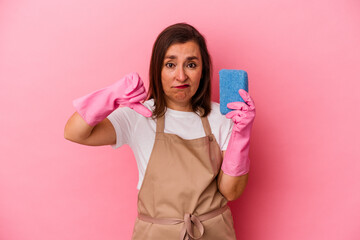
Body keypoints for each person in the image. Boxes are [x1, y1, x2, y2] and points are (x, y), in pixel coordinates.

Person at [64, 22, 256, 240]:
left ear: (203, 71)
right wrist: (110, 96)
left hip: (214, 233)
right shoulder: (139, 116)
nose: (181, 76)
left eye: (191, 65)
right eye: (170, 64)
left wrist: (242, 135)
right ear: (158, 69)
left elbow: (231, 191)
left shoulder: (222, 119)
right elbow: (74, 132)